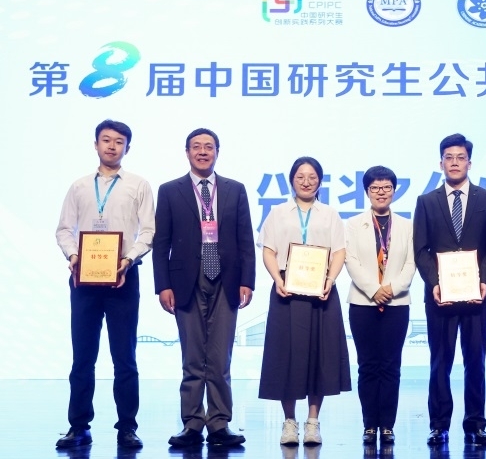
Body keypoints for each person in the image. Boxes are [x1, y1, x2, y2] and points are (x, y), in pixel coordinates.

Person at [55, 119, 154, 449]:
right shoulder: (79, 187)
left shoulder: (139, 185)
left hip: (123, 277)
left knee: (124, 357)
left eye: (119, 141)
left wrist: (129, 259)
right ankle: (78, 426)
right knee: (83, 357)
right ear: (95, 144)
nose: (112, 146)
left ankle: (127, 427)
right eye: (106, 140)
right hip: (83, 279)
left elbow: (149, 232)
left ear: (128, 147)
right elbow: (64, 230)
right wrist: (73, 256)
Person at [153, 128, 255, 447]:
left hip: (227, 278)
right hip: (186, 280)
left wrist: (247, 281)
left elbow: (245, 239)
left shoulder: (235, 189)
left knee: (220, 357)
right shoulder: (170, 191)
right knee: (193, 356)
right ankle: (193, 422)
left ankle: (220, 422)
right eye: (196, 147)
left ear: (217, 152)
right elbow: (161, 243)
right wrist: (163, 285)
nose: (202, 152)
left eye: (208, 147)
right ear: (187, 152)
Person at [413, 133, 486, 446]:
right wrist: (435, 283)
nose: (454, 163)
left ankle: (475, 425)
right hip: (440, 296)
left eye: (460, 157)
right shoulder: (426, 202)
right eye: (449, 158)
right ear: (441, 163)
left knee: (476, 361)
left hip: (478, 295)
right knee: (440, 362)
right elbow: (421, 249)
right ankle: (439, 425)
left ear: (469, 162)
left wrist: (484, 279)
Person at [258, 156, 351, 447]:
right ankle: (289, 422)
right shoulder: (277, 213)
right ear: (292, 180)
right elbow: (268, 250)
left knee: (319, 355)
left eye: (312, 177)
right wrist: (277, 279)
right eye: (300, 177)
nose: (306, 182)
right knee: (286, 354)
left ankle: (312, 422)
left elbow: (339, 251)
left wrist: (330, 280)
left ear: (320, 181)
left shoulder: (330, 214)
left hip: (321, 289)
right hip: (287, 289)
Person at [344, 166, 416, 446]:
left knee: (391, 365)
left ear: (394, 191)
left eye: (386, 187)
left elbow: (411, 263)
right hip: (363, 303)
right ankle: (369, 425)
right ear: (367, 192)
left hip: (397, 303)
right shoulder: (353, 224)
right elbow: (351, 261)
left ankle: (387, 425)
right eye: (375, 188)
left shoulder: (407, 225)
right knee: (367, 366)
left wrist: (392, 288)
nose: (381, 192)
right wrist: (374, 289)